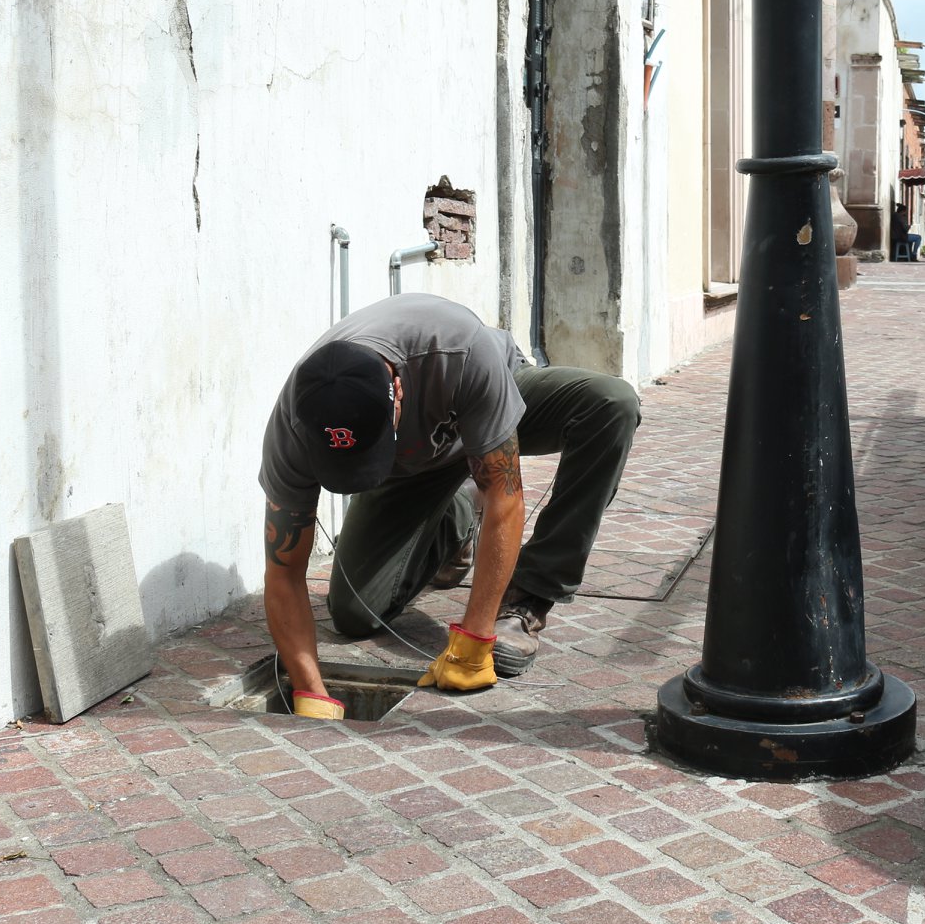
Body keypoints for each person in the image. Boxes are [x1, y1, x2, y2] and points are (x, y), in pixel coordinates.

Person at [258, 293, 640, 718]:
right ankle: (456, 519)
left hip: (482, 403)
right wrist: (311, 691)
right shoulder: (292, 427)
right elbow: (284, 573)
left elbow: (505, 497)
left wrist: (475, 638)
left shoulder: (460, 350)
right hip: (413, 464)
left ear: (397, 390)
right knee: (354, 614)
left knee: (610, 404)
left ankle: (531, 598)